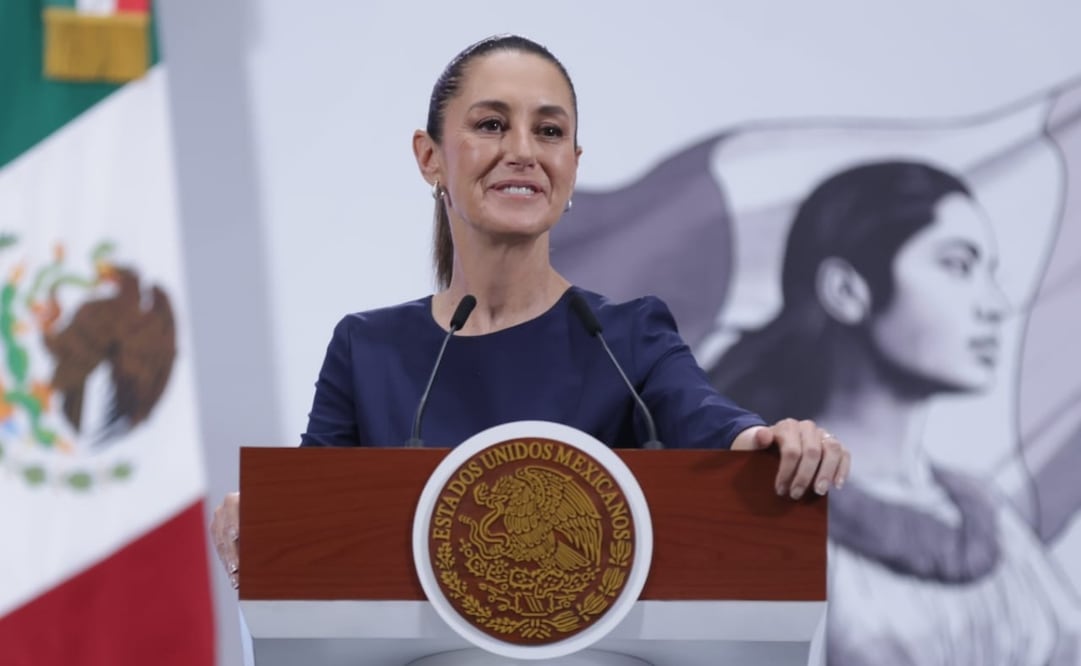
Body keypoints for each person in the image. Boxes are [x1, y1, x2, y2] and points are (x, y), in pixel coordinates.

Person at [209, 34, 850, 590]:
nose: (523, 150)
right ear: (430, 157)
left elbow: (712, 425)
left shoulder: (626, 338)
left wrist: (772, 443)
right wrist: (263, 514)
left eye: (549, 131)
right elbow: (313, 511)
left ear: (572, 166)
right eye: (491, 125)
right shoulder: (367, 348)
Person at [709, 161, 1080, 665]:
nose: (995, 305)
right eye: (957, 265)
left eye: (990, 273)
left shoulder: (993, 522)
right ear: (846, 290)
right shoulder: (758, 514)